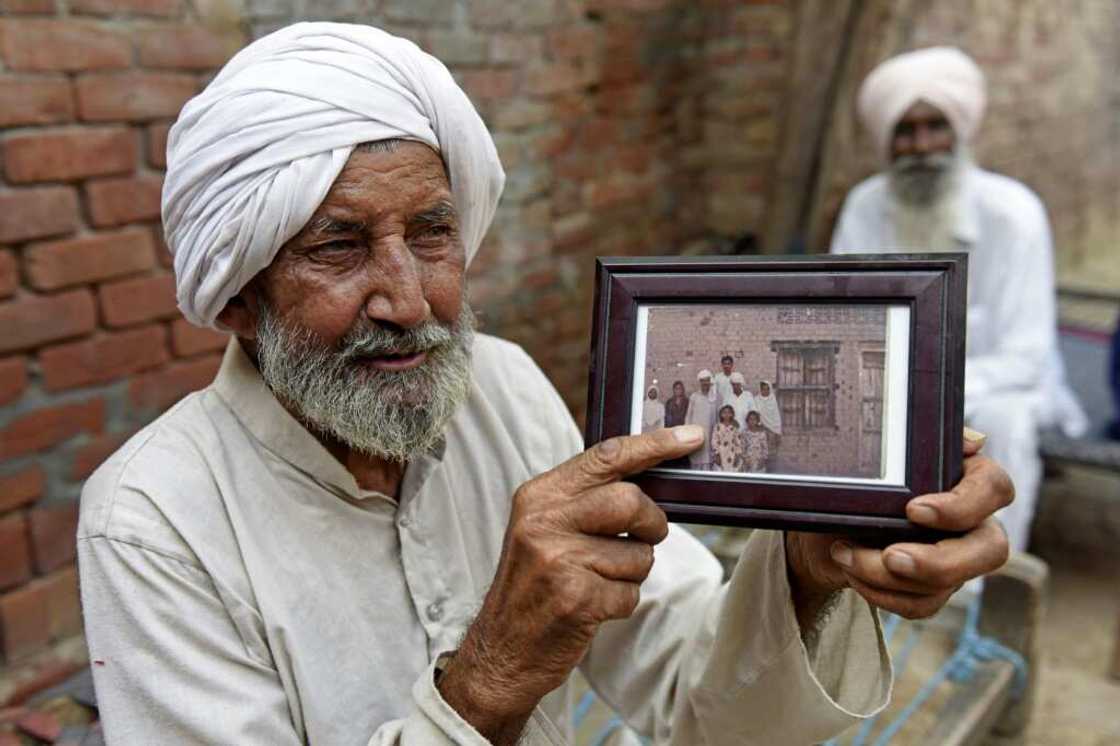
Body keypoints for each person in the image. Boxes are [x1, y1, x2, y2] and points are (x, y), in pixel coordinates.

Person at [77, 24, 1013, 746]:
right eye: (338, 246)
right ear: (239, 297)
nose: (410, 300)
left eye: (434, 234)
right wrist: (488, 678)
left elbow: (696, 686)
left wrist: (806, 575)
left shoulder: (500, 384)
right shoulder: (152, 519)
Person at [830, 45, 1084, 552]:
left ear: (959, 131)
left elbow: (1025, 357)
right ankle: (862, 546)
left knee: (1002, 425)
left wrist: (929, 393)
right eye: (905, 131)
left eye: (936, 126)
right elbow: (845, 319)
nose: (923, 146)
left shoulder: (1014, 214)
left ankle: (985, 574)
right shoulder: (864, 206)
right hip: (887, 378)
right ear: (887, 141)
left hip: (996, 386)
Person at [684, 370, 719, 471]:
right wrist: (688, 432)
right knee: (696, 460)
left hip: (711, 434)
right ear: (700, 382)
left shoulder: (715, 397)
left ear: (710, 382)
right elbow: (688, 416)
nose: (705, 383)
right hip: (696, 433)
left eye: (707, 381)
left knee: (708, 462)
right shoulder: (694, 396)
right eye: (702, 381)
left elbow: (717, 416)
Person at [662, 380, 692, 469]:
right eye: (676, 388)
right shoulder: (669, 402)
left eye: (680, 388)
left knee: (684, 452)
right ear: (673, 390)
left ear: (683, 390)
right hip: (672, 431)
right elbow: (667, 418)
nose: (678, 390)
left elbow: (689, 415)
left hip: (684, 430)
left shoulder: (687, 402)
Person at [711, 405, 745, 472]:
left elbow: (738, 442)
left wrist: (737, 455)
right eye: (724, 412)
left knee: (732, 473)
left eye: (729, 412)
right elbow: (714, 441)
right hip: (721, 454)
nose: (726, 414)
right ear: (721, 414)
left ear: (732, 414)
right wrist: (717, 454)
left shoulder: (735, 427)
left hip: (732, 454)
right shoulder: (717, 426)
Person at [755, 379, 782, 453]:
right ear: (760, 389)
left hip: (772, 429)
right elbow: (755, 413)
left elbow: (776, 415)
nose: (765, 391)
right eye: (763, 389)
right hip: (760, 428)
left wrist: (777, 429)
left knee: (771, 450)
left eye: (767, 389)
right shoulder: (756, 399)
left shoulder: (772, 400)